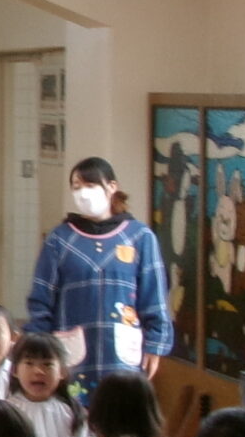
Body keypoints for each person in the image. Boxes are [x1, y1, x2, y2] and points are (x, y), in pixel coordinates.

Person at [25, 157, 174, 386]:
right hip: (71, 356)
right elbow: (41, 298)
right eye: (77, 187)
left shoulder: (140, 237)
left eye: (91, 185)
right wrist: (37, 343)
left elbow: (154, 297)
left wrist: (156, 343)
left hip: (123, 357)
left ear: (112, 187)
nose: (83, 193)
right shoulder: (59, 239)